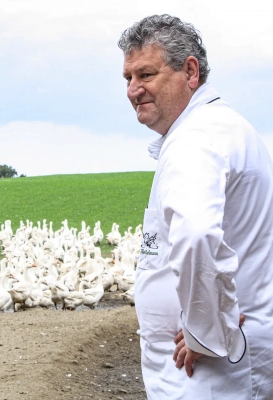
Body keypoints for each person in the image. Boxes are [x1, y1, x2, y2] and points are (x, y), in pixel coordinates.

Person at [118, 14, 273, 399]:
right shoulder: (215, 129)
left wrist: (206, 333)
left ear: (190, 71)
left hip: (207, 374)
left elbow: (196, 232)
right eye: (128, 79)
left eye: (146, 75)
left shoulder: (197, 138)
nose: (133, 90)